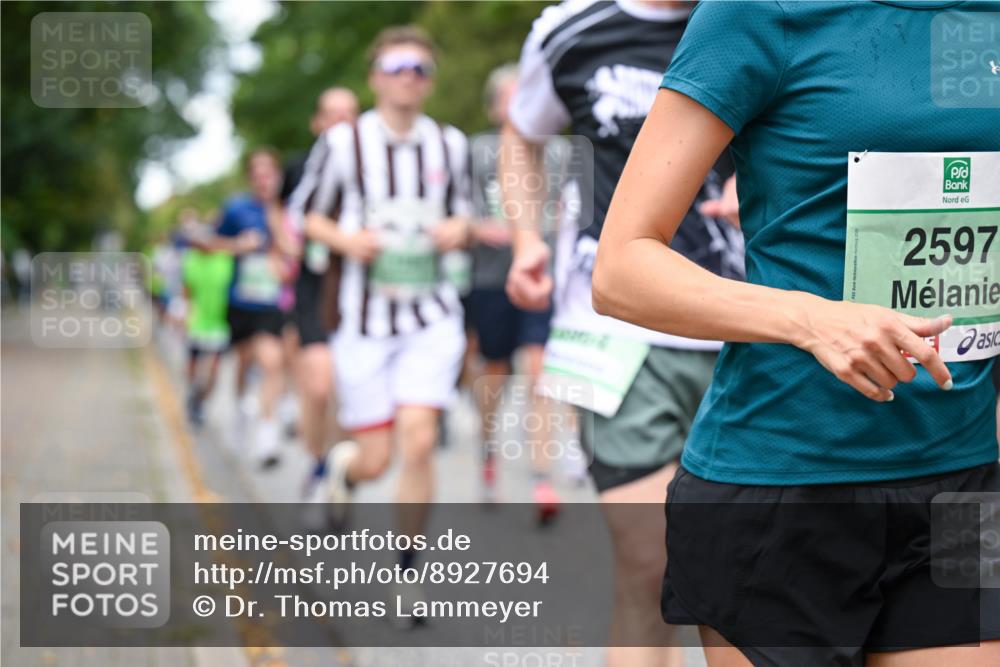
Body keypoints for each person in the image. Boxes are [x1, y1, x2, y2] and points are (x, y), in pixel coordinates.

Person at [592, 1, 1000, 665]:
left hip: (961, 476)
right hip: (783, 485)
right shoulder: (761, 13)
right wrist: (811, 317)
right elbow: (621, 268)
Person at [502, 1, 744, 665]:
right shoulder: (570, 31)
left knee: (739, 575)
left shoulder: (764, 17)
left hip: (749, 329)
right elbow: (520, 136)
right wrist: (526, 238)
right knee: (651, 566)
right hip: (616, 330)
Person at [291, 26, 473, 621]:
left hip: (431, 316)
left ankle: (407, 577)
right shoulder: (346, 145)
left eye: (420, 67)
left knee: (419, 440)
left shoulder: (448, 144)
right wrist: (347, 238)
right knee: (375, 460)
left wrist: (458, 229)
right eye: (397, 65)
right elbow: (304, 218)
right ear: (375, 77)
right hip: (364, 324)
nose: (408, 75)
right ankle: (340, 467)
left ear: (431, 80)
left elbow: (467, 214)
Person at [468, 64, 561, 518]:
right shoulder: (477, 152)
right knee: (497, 373)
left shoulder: (559, 152)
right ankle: (488, 452)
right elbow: (451, 213)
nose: (516, 104)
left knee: (539, 370)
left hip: (541, 278)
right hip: (490, 279)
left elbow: (576, 211)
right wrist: (479, 228)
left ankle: (541, 479)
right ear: (492, 106)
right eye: (506, 97)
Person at [282, 87, 360, 504]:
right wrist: (287, 246)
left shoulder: (371, 166)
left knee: (347, 392)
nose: (341, 123)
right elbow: (283, 214)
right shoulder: (299, 167)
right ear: (318, 122)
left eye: (350, 115)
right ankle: (316, 464)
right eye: (332, 115)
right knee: (317, 386)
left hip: (356, 289)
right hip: (314, 286)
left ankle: (337, 467)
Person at [214, 147, 297, 468]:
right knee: (246, 363)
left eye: (270, 172)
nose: (264, 179)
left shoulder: (287, 210)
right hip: (241, 301)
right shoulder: (237, 209)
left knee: (272, 362)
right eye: (258, 172)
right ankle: (240, 411)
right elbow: (211, 242)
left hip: (272, 302)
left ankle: (267, 436)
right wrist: (238, 245)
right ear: (251, 177)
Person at [180, 221, 234, 427]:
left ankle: (200, 402)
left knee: (213, 369)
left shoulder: (224, 259)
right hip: (196, 322)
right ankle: (193, 395)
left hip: (219, 323)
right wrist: (184, 313)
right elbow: (187, 291)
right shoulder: (191, 261)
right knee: (193, 365)